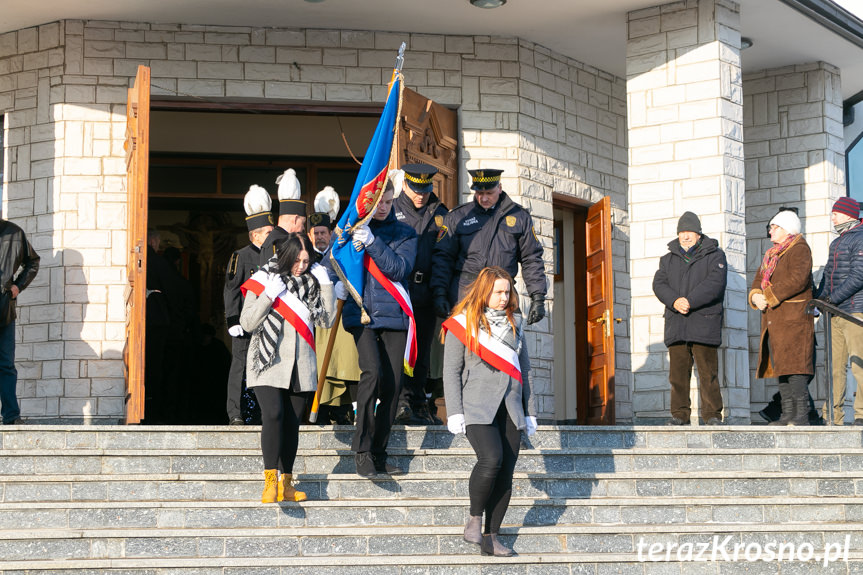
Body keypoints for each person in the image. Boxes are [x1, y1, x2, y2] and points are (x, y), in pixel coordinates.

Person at [442, 266, 536, 557]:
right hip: (476, 406)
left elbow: (526, 370)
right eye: (498, 292)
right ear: (484, 291)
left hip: (511, 406)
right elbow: (451, 371)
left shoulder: (516, 323)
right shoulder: (463, 323)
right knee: (491, 459)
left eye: (507, 291)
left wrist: (530, 411)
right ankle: (474, 519)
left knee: (506, 472)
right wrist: (454, 411)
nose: (504, 297)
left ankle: (491, 537)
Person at [240, 232, 336, 502]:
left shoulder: (312, 283)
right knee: (273, 414)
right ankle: (270, 480)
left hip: (301, 364)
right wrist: (269, 295)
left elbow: (326, 322)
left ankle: (287, 483)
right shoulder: (264, 279)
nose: (301, 267)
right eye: (297, 261)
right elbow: (247, 322)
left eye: (306, 261)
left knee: (292, 423)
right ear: (286, 257)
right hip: (268, 362)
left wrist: (326, 283)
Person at [335, 175, 417, 478]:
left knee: (393, 387)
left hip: (394, 316)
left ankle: (380, 451)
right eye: (377, 201)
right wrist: (337, 285)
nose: (382, 206)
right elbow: (336, 263)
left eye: (387, 201)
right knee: (371, 374)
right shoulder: (349, 229)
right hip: (363, 316)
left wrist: (372, 242)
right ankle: (362, 451)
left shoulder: (406, 233)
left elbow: (397, 269)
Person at [431, 168, 546, 325]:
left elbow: (531, 258)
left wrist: (538, 296)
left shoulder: (519, 217)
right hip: (465, 293)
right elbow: (443, 257)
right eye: (479, 193)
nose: (484, 198)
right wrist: (440, 292)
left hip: (502, 296)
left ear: (499, 187)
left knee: (502, 347)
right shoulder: (458, 216)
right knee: (464, 347)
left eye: (489, 193)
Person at [652, 212, 727, 426]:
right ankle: (679, 415)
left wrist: (689, 301)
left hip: (704, 322)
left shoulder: (715, 255)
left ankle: (712, 415)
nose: (685, 237)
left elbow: (715, 284)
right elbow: (659, 284)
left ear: (698, 233)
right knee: (677, 376)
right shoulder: (667, 259)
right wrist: (675, 301)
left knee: (708, 374)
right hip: (677, 324)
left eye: (689, 232)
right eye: (682, 232)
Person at [393, 163, 448, 426]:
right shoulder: (391, 209)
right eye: (415, 188)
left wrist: (440, 293)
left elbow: (443, 256)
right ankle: (399, 402)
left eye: (424, 189)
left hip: (426, 291)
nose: (420, 195)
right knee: (401, 348)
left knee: (423, 351)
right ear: (404, 184)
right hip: (399, 291)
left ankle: (419, 402)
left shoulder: (440, 212)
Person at [749, 209, 814, 426]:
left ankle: (801, 416)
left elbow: (798, 280)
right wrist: (755, 295)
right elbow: (759, 279)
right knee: (783, 369)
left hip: (794, 320)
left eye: (774, 227)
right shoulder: (772, 255)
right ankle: (787, 415)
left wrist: (767, 296)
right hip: (775, 321)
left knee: (796, 369)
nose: (770, 232)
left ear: (787, 229)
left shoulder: (800, 249)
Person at [223, 185, 274, 425]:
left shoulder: (275, 255)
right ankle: (235, 412)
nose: (271, 235)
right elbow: (231, 289)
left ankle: (264, 413)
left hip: (268, 324)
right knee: (239, 368)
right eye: (267, 232)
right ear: (255, 235)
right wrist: (232, 319)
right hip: (245, 324)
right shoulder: (241, 256)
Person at [309, 186, 360, 424]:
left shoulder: (339, 253)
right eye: (315, 233)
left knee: (342, 364)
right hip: (312, 323)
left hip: (338, 321)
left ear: (331, 234)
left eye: (323, 233)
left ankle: (343, 410)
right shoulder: (304, 257)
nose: (320, 237)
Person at [815, 197, 863, 425]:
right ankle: (833, 416)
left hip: (855, 312)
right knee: (834, 367)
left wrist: (830, 299)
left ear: (848, 215)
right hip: (834, 313)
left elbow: (858, 276)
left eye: (835, 213)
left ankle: (862, 415)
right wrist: (820, 299)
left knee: (859, 365)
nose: (832, 217)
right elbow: (827, 275)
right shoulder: (836, 242)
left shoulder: (861, 238)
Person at [0, 217, 39, 425]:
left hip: (4, 308)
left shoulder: (14, 233)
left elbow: (33, 261)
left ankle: (11, 415)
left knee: (6, 364)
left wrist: (18, 286)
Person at [260, 168, 307, 266]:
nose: (303, 228)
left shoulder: (275, 238)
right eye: (302, 223)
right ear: (295, 219)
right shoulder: (279, 242)